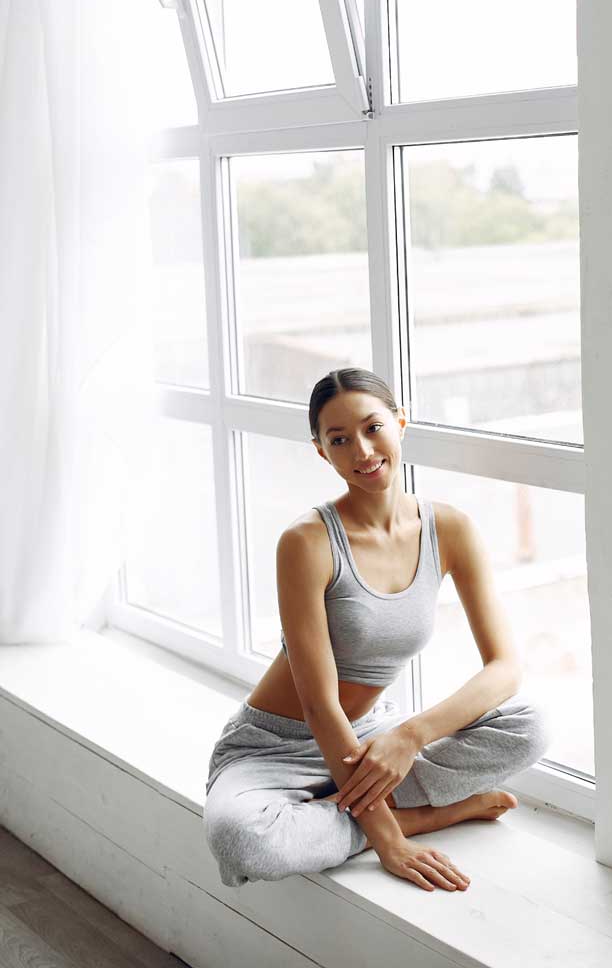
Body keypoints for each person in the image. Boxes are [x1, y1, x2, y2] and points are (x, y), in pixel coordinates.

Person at [203, 367, 551, 892]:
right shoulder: (306, 542)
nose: (362, 451)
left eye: (372, 428)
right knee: (241, 840)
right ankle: (423, 814)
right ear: (321, 451)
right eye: (338, 439)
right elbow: (319, 706)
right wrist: (390, 838)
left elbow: (505, 668)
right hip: (275, 745)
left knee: (530, 724)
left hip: (368, 735)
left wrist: (410, 737)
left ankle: (335, 812)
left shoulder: (449, 529)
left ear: (400, 422)